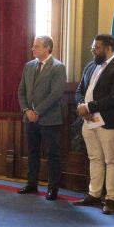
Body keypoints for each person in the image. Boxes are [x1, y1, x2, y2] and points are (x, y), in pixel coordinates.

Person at [73, 33, 114, 214]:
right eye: (93, 46)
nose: (93, 50)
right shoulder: (90, 66)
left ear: (108, 48)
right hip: (88, 120)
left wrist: (88, 107)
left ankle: (111, 199)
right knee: (94, 158)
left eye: (96, 47)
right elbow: (80, 90)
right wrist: (81, 106)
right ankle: (94, 193)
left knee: (111, 160)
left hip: (109, 122)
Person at [16, 35, 67, 200]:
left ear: (47, 48)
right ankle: (31, 183)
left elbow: (55, 94)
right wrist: (26, 110)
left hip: (49, 119)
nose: (33, 48)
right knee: (32, 151)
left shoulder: (58, 67)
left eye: (37, 46)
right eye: (33, 46)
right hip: (29, 118)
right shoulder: (29, 66)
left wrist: (37, 112)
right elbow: (21, 90)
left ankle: (53, 188)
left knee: (52, 154)